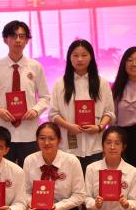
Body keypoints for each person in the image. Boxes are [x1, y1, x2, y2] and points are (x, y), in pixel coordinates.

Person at [0, 20, 50, 166]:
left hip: (29, 131)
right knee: (3, 173)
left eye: (22, 36)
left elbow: (45, 97)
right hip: (3, 132)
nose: (18, 40)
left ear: (27, 40)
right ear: (5, 39)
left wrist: (35, 110)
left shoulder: (35, 66)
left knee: (29, 173)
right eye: (13, 36)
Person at [20, 122, 86, 210]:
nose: (47, 142)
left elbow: (80, 195)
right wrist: (31, 203)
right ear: (37, 140)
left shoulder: (71, 161)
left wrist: (58, 207)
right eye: (42, 138)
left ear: (59, 140)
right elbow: (25, 192)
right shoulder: (30, 160)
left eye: (51, 138)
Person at [49, 39, 115, 173]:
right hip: (68, 146)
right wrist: (69, 126)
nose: (79, 59)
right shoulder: (60, 84)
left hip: (94, 144)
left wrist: (99, 127)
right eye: (75, 55)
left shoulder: (101, 83)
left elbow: (109, 112)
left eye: (84, 55)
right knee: (69, 182)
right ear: (69, 58)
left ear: (91, 57)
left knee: (92, 182)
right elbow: (53, 114)